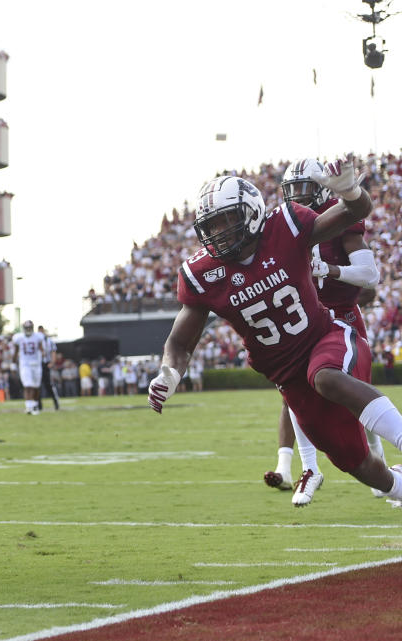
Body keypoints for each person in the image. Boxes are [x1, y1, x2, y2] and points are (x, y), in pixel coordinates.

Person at [149, 160, 402, 507]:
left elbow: (352, 212)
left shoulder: (286, 226)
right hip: (288, 376)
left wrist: (351, 193)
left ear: (251, 213)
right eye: (212, 225)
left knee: (325, 376)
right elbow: (180, 341)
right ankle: (399, 488)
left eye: (227, 220)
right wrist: (170, 371)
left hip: (325, 337)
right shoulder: (203, 273)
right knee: (356, 464)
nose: (220, 232)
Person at [263, 159, 382, 506]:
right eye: (292, 191)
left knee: (356, 395)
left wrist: (330, 270)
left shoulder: (339, 216)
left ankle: (376, 454)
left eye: (304, 189)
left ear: (321, 191)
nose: (297, 197)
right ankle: (309, 467)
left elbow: (370, 275)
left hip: (342, 316)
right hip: (307, 321)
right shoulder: (286, 224)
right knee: (296, 391)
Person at [13, 320, 46, 415]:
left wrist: (43, 354)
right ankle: (29, 407)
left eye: (29, 328)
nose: (28, 329)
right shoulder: (18, 338)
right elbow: (16, 352)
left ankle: (35, 405)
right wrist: (13, 364)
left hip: (36, 364)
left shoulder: (38, 337)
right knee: (28, 385)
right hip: (25, 364)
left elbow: (41, 349)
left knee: (36, 387)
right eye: (26, 328)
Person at [37, 325, 60, 411]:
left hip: (46, 364)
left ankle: (55, 402)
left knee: (48, 385)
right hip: (37, 365)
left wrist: (52, 362)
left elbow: (53, 352)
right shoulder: (36, 340)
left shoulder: (49, 341)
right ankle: (39, 405)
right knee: (37, 385)